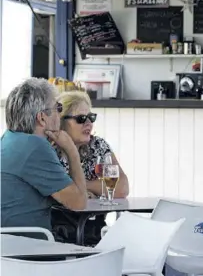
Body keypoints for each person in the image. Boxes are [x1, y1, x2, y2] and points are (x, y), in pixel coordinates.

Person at [0, 78, 87, 235]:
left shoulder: (8, 139)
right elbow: (79, 203)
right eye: (58, 108)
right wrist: (72, 151)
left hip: (7, 247)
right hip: (30, 249)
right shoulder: (35, 147)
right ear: (41, 118)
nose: (60, 115)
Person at [51, 90, 129, 245]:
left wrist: (81, 185)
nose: (89, 123)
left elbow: (122, 188)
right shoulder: (50, 149)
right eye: (81, 119)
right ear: (61, 122)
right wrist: (93, 188)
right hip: (57, 234)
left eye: (91, 117)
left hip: (93, 230)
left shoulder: (98, 146)